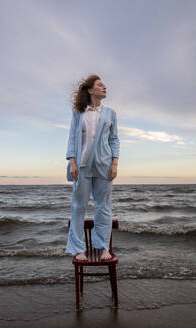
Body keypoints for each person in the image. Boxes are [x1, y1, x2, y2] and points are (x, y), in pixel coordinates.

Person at [65, 74, 120, 261]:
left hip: (104, 166)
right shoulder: (77, 113)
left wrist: (114, 163)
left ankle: (103, 247)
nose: (104, 87)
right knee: (78, 207)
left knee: (103, 207)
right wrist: (72, 161)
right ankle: (77, 249)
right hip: (81, 166)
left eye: (105, 85)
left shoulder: (110, 113)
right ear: (90, 90)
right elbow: (72, 138)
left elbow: (114, 139)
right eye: (100, 85)